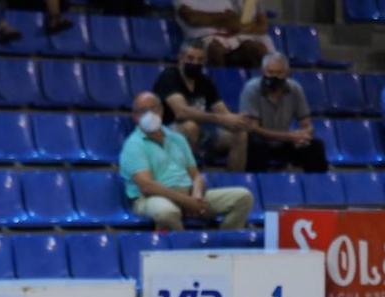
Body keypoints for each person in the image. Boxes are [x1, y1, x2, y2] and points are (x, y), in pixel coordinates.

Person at [119, 92, 254, 231]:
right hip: (152, 198)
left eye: (153, 108)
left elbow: (195, 175)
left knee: (243, 197)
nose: (150, 114)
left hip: (188, 194)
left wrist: (196, 197)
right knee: (167, 212)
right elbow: (148, 187)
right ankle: (183, 243)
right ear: (135, 117)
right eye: (143, 111)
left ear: (161, 110)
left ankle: (225, 240)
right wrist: (186, 201)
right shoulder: (133, 145)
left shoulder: (178, 139)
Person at [153, 40, 253, 170]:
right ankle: (188, 176)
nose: (195, 63)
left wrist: (238, 121)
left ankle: (235, 179)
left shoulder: (205, 81)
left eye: (200, 60)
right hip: (166, 134)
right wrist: (220, 119)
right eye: (190, 58)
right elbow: (181, 112)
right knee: (190, 127)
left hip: (200, 134)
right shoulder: (169, 77)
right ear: (180, 58)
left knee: (240, 134)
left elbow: (223, 112)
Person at [239, 53, 326, 173]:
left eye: (279, 73)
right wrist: (289, 136)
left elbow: (307, 123)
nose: (275, 77)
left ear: (287, 73)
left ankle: (317, 183)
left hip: (284, 143)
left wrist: (304, 135)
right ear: (262, 71)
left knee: (315, 146)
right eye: (270, 72)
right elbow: (253, 128)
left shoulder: (295, 88)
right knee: (255, 144)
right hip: (260, 141)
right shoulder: (251, 89)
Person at [174, 0, 275, 68]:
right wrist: (223, 17)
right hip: (202, 40)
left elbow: (235, 20)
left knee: (256, 49)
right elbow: (192, 18)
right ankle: (221, 86)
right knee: (215, 49)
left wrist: (224, 20)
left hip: (231, 37)